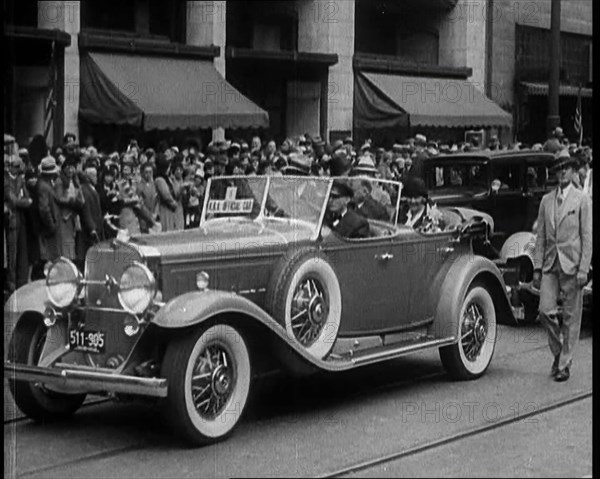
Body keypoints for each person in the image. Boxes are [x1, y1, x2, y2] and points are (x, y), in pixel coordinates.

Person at [532, 149, 592, 382]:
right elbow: (541, 238)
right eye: (557, 170)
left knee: (571, 317)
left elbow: (587, 237)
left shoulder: (582, 200)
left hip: (573, 265)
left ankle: (564, 364)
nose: (561, 173)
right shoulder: (547, 201)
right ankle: (558, 352)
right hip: (550, 265)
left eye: (565, 169)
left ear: (573, 171)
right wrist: (537, 267)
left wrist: (584, 269)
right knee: (545, 311)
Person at [36, 156, 63, 265]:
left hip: (51, 228)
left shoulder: (46, 184)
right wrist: (51, 226)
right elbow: (44, 208)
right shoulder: (43, 186)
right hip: (49, 230)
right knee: (52, 260)